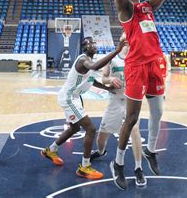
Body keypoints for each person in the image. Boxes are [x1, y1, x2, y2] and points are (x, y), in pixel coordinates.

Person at [105, 0, 168, 190]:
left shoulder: (147, 6)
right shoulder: (126, 9)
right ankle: (118, 163)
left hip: (155, 63)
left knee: (159, 112)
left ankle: (150, 150)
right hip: (136, 67)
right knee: (131, 119)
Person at [40, 37, 126, 180]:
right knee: (91, 129)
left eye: (94, 43)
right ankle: (84, 167)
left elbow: (92, 80)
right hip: (69, 97)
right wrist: (117, 51)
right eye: (88, 43)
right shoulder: (83, 60)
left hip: (75, 97)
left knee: (74, 128)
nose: (92, 45)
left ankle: (51, 150)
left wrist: (106, 88)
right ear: (84, 47)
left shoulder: (90, 62)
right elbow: (95, 67)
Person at [90, 33, 147, 187]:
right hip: (115, 100)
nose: (128, 40)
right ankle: (101, 152)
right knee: (101, 139)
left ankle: (138, 168)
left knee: (135, 130)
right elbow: (104, 78)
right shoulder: (112, 58)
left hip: (131, 100)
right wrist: (110, 80)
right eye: (125, 38)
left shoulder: (138, 57)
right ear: (121, 40)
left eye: (130, 37)